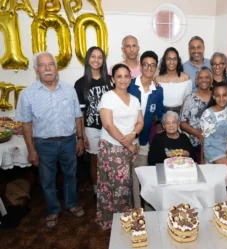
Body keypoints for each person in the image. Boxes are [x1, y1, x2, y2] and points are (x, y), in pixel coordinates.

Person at [15, 52, 85, 229]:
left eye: (50, 64)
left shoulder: (69, 90)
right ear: (36, 69)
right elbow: (26, 124)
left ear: (56, 67)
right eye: (42, 65)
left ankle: (71, 204)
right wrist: (31, 149)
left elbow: (78, 117)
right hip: (44, 144)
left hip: (69, 141)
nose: (47, 68)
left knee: (71, 176)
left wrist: (80, 139)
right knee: (47, 180)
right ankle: (53, 210)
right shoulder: (28, 94)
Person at [96, 64, 144, 230]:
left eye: (126, 76)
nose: (123, 79)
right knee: (113, 186)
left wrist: (133, 136)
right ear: (113, 79)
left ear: (130, 78)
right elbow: (108, 125)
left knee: (127, 186)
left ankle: (126, 219)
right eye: (119, 76)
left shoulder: (135, 99)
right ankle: (112, 222)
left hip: (130, 147)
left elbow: (140, 122)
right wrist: (127, 143)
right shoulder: (108, 97)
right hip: (112, 148)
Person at [74, 46, 114, 199]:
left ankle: (110, 186)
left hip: (110, 126)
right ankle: (97, 189)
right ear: (87, 59)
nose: (96, 60)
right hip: (91, 128)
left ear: (103, 60)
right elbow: (80, 113)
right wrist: (82, 135)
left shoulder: (110, 80)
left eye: (100, 57)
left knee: (110, 159)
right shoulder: (80, 83)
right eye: (93, 56)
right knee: (95, 160)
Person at [128, 51, 164, 207]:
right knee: (126, 178)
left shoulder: (158, 90)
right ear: (140, 66)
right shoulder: (129, 85)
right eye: (145, 64)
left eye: (152, 65)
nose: (149, 68)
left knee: (141, 175)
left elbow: (160, 113)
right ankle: (132, 208)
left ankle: (142, 208)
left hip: (143, 141)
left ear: (156, 67)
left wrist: (165, 124)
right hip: (125, 138)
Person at [200, 83, 227, 203]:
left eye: (224, 95)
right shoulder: (207, 114)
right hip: (213, 149)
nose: (221, 98)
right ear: (213, 96)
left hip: (226, 148)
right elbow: (204, 139)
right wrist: (202, 159)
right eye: (218, 95)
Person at [180, 67, 212, 163]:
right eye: (200, 78)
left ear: (211, 80)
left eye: (207, 77)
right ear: (196, 81)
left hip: (213, 143)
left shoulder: (217, 97)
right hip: (193, 143)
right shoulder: (189, 99)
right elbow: (182, 123)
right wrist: (197, 133)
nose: (204, 80)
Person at [155, 47, 192, 114]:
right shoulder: (157, 79)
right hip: (161, 113)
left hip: (181, 113)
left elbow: (188, 100)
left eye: (174, 59)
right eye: (168, 59)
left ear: (178, 61)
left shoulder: (185, 77)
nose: (171, 62)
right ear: (164, 61)